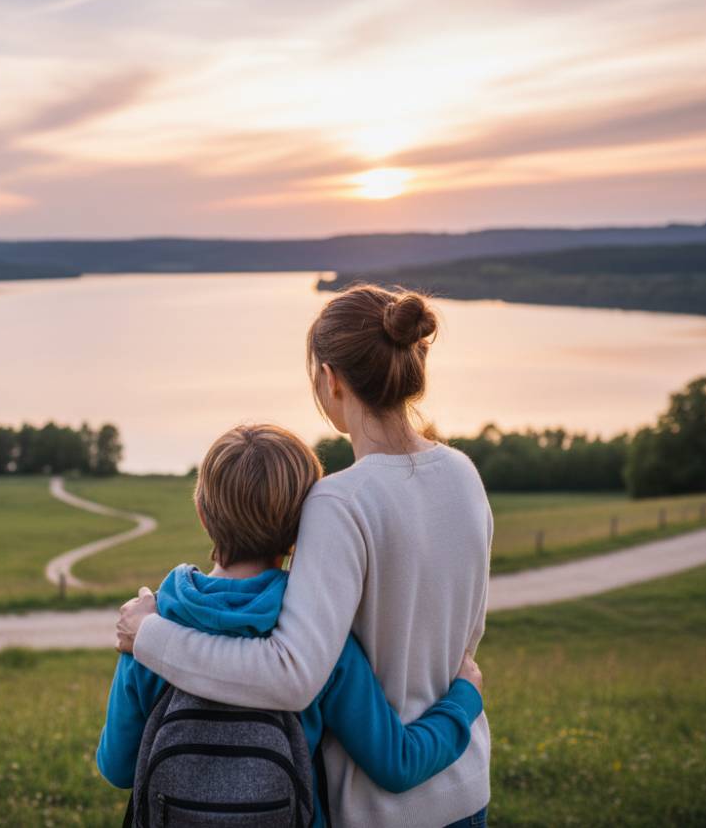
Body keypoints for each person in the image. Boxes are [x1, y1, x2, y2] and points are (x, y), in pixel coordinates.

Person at [116, 285, 493, 827]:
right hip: (465, 785)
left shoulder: (340, 502)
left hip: (376, 810)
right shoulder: (462, 474)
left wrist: (150, 637)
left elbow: (292, 673)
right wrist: (462, 699)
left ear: (330, 379)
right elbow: (467, 635)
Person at [97, 424, 484, 827]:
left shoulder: (152, 626)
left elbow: (117, 767)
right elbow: (397, 764)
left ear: (202, 513)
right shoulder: (314, 635)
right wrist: (463, 699)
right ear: (302, 530)